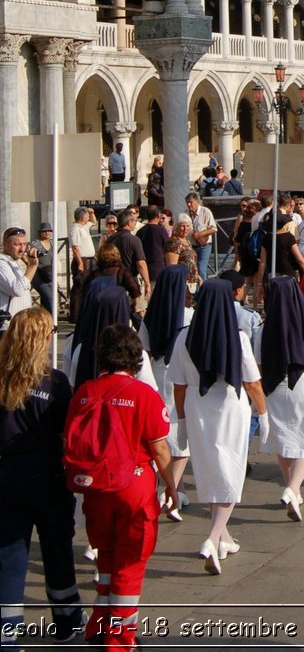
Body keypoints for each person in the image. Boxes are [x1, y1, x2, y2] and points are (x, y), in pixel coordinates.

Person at [64, 324, 178, 648]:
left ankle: (99, 625)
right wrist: (171, 486)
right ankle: (120, 637)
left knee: (107, 561)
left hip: (96, 491)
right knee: (130, 566)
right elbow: (159, 448)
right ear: (135, 358)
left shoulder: (85, 391)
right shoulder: (144, 395)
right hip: (133, 489)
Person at [169, 280, 268, 573]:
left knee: (211, 469)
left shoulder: (183, 338)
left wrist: (182, 419)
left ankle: (224, 537)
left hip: (197, 407)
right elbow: (252, 383)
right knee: (230, 470)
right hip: (230, 407)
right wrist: (263, 414)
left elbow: (178, 385)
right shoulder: (237, 337)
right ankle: (212, 539)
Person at [0, 309, 84, 647]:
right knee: (56, 551)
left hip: (6, 474)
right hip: (46, 474)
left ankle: (7, 635)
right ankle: (66, 623)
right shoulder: (55, 382)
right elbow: (69, 432)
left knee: (9, 559)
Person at [254, 276, 304, 522]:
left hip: (275, 388)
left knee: (284, 441)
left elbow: (258, 365)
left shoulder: (262, 329)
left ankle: (292, 487)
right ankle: (292, 488)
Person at [139, 264, 194, 519]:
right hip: (182, 376)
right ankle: (170, 489)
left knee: (162, 427)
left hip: (158, 372)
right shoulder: (189, 315)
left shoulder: (151, 315)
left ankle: (178, 490)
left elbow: (143, 347)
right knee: (180, 431)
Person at [0, 226, 37, 331]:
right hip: (6, 327)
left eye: (24, 244)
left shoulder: (14, 263)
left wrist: (29, 263)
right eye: (17, 244)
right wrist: (32, 266)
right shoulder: (2, 263)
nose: (22, 249)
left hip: (19, 326)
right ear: (5, 245)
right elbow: (17, 289)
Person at [184, 192, 217, 282]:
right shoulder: (186, 213)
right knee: (192, 269)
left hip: (204, 246)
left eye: (190, 202)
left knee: (201, 268)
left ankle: (203, 291)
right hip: (191, 246)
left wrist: (200, 234)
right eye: (187, 202)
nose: (189, 204)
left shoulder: (205, 211)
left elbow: (213, 228)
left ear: (197, 201)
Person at [137, 205, 169, 285]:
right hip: (159, 268)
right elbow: (168, 247)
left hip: (144, 269)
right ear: (158, 216)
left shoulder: (140, 231)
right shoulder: (161, 230)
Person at [28, 222, 54, 315]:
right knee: (49, 296)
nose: (47, 233)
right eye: (44, 231)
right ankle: (51, 318)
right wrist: (30, 263)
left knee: (46, 299)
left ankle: (45, 320)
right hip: (38, 275)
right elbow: (24, 254)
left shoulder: (52, 244)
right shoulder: (35, 243)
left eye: (49, 231)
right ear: (40, 232)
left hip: (49, 274)